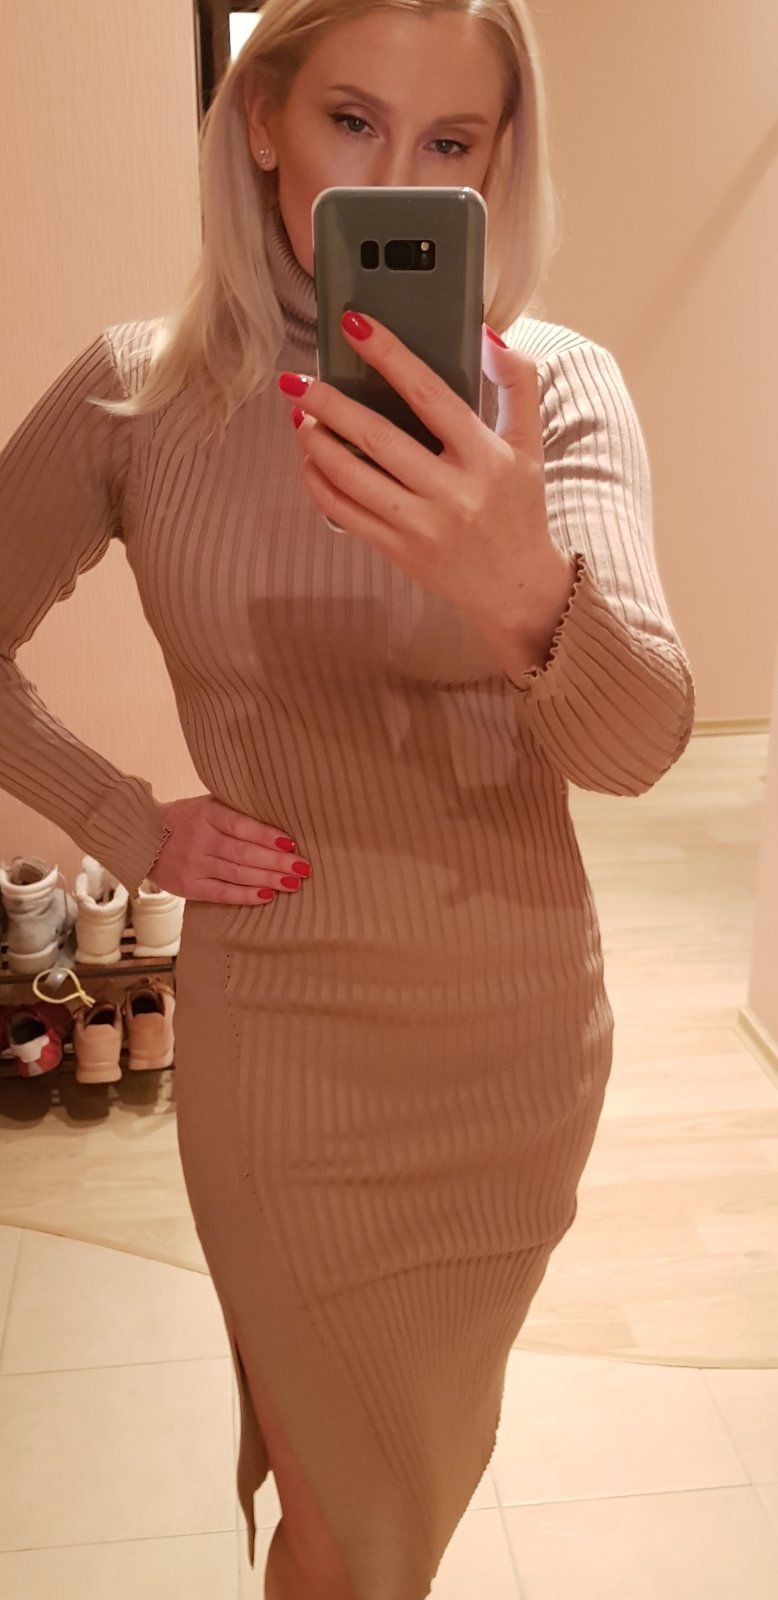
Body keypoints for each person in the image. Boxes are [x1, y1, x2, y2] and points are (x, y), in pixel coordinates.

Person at [0, 3, 695, 1596]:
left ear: (499, 161)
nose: (395, 176)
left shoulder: (555, 392)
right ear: (260, 118)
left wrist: (518, 582)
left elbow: (639, 743)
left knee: (410, 1495)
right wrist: (126, 822)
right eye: (350, 121)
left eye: (449, 141)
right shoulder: (141, 393)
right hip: (284, 1056)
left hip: (510, 1046)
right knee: (344, 1530)